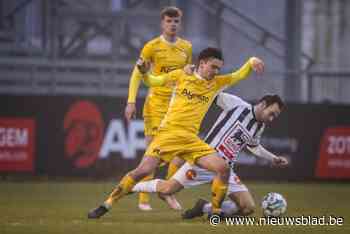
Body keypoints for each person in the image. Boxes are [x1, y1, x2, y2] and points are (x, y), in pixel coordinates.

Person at [88, 47, 264, 219]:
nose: (216, 72)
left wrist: (251, 61)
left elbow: (238, 75)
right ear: (202, 63)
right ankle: (107, 204)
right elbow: (152, 82)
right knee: (142, 171)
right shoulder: (181, 75)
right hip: (168, 134)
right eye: (213, 67)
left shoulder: (216, 84)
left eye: (219, 68)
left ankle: (215, 212)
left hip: (190, 140)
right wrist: (143, 72)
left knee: (223, 168)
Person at [131, 92, 288, 218]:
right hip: (204, 160)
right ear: (262, 104)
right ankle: (133, 186)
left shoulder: (259, 127)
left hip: (225, 171)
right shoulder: (236, 104)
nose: (271, 119)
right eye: (271, 113)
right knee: (167, 189)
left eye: (275, 116)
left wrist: (272, 158)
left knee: (248, 208)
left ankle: (204, 208)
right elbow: (208, 93)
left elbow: (254, 146)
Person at [124, 6, 192, 211]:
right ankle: (143, 200)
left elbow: (187, 76)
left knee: (179, 155)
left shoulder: (186, 48)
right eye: (169, 21)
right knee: (152, 154)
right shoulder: (151, 47)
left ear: (180, 23)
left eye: (176, 21)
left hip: (176, 108)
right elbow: (137, 74)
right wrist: (131, 101)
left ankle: (166, 191)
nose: (172, 24)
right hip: (155, 106)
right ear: (162, 23)